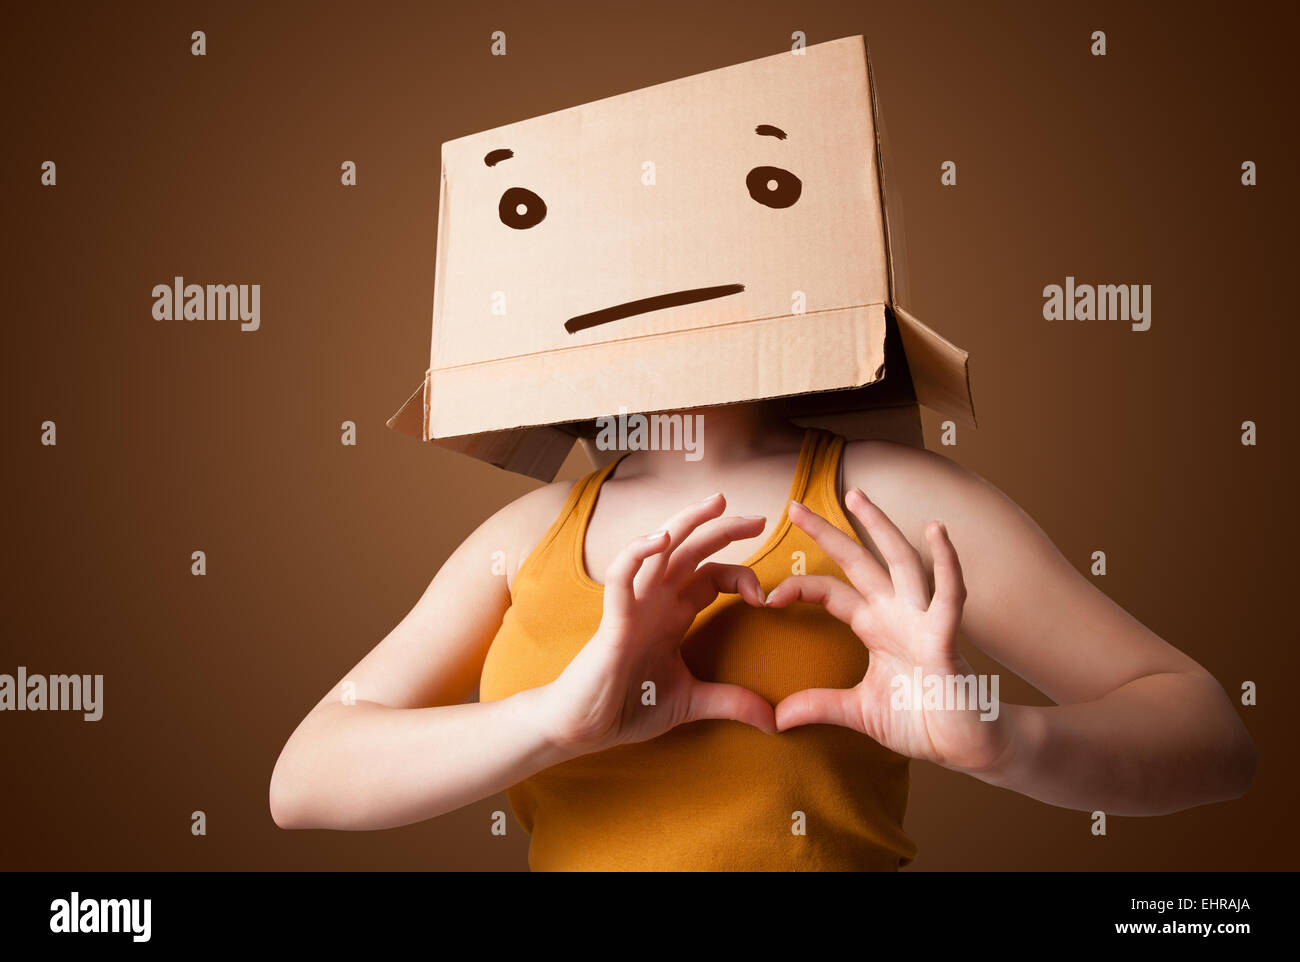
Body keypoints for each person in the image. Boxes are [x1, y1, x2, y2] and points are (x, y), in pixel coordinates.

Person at [268, 401, 1256, 870]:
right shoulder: (527, 530)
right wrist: (555, 718)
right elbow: (305, 776)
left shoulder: (890, 496)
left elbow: (1210, 734)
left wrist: (1000, 734)